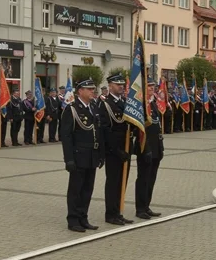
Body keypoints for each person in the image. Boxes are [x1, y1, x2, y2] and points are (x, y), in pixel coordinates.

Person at [60, 78, 103, 232]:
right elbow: (66, 136)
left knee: (87, 189)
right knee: (76, 190)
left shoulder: (94, 107)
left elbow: (98, 132)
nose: (93, 91)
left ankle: (83, 217)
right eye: (89, 89)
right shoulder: (72, 109)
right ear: (80, 91)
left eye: (93, 89)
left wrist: (100, 154)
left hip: (92, 155)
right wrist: (69, 159)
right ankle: (73, 220)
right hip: (79, 156)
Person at [98, 72, 133, 226]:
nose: (121, 87)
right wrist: (117, 151)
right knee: (113, 182)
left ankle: (118, 211)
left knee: (122, 182)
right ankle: (110, 214)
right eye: (118, 85)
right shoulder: (105, 104)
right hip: (114, 151)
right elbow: (105, 130)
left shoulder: (125, 102)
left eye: (122, 85)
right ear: (110, 86)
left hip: (126, 148)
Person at [131, 81, 164, 220]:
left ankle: (147, 206)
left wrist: (160, 148)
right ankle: (140, 209)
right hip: (145, 147)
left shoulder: (153, 103)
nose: (152, 89)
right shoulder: (141, 106)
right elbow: (140, 130)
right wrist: (146, 149)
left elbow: (157, 127)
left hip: (156, 147)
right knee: (143, 179)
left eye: (153, 87)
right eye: (149, 87)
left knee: (151, 179)